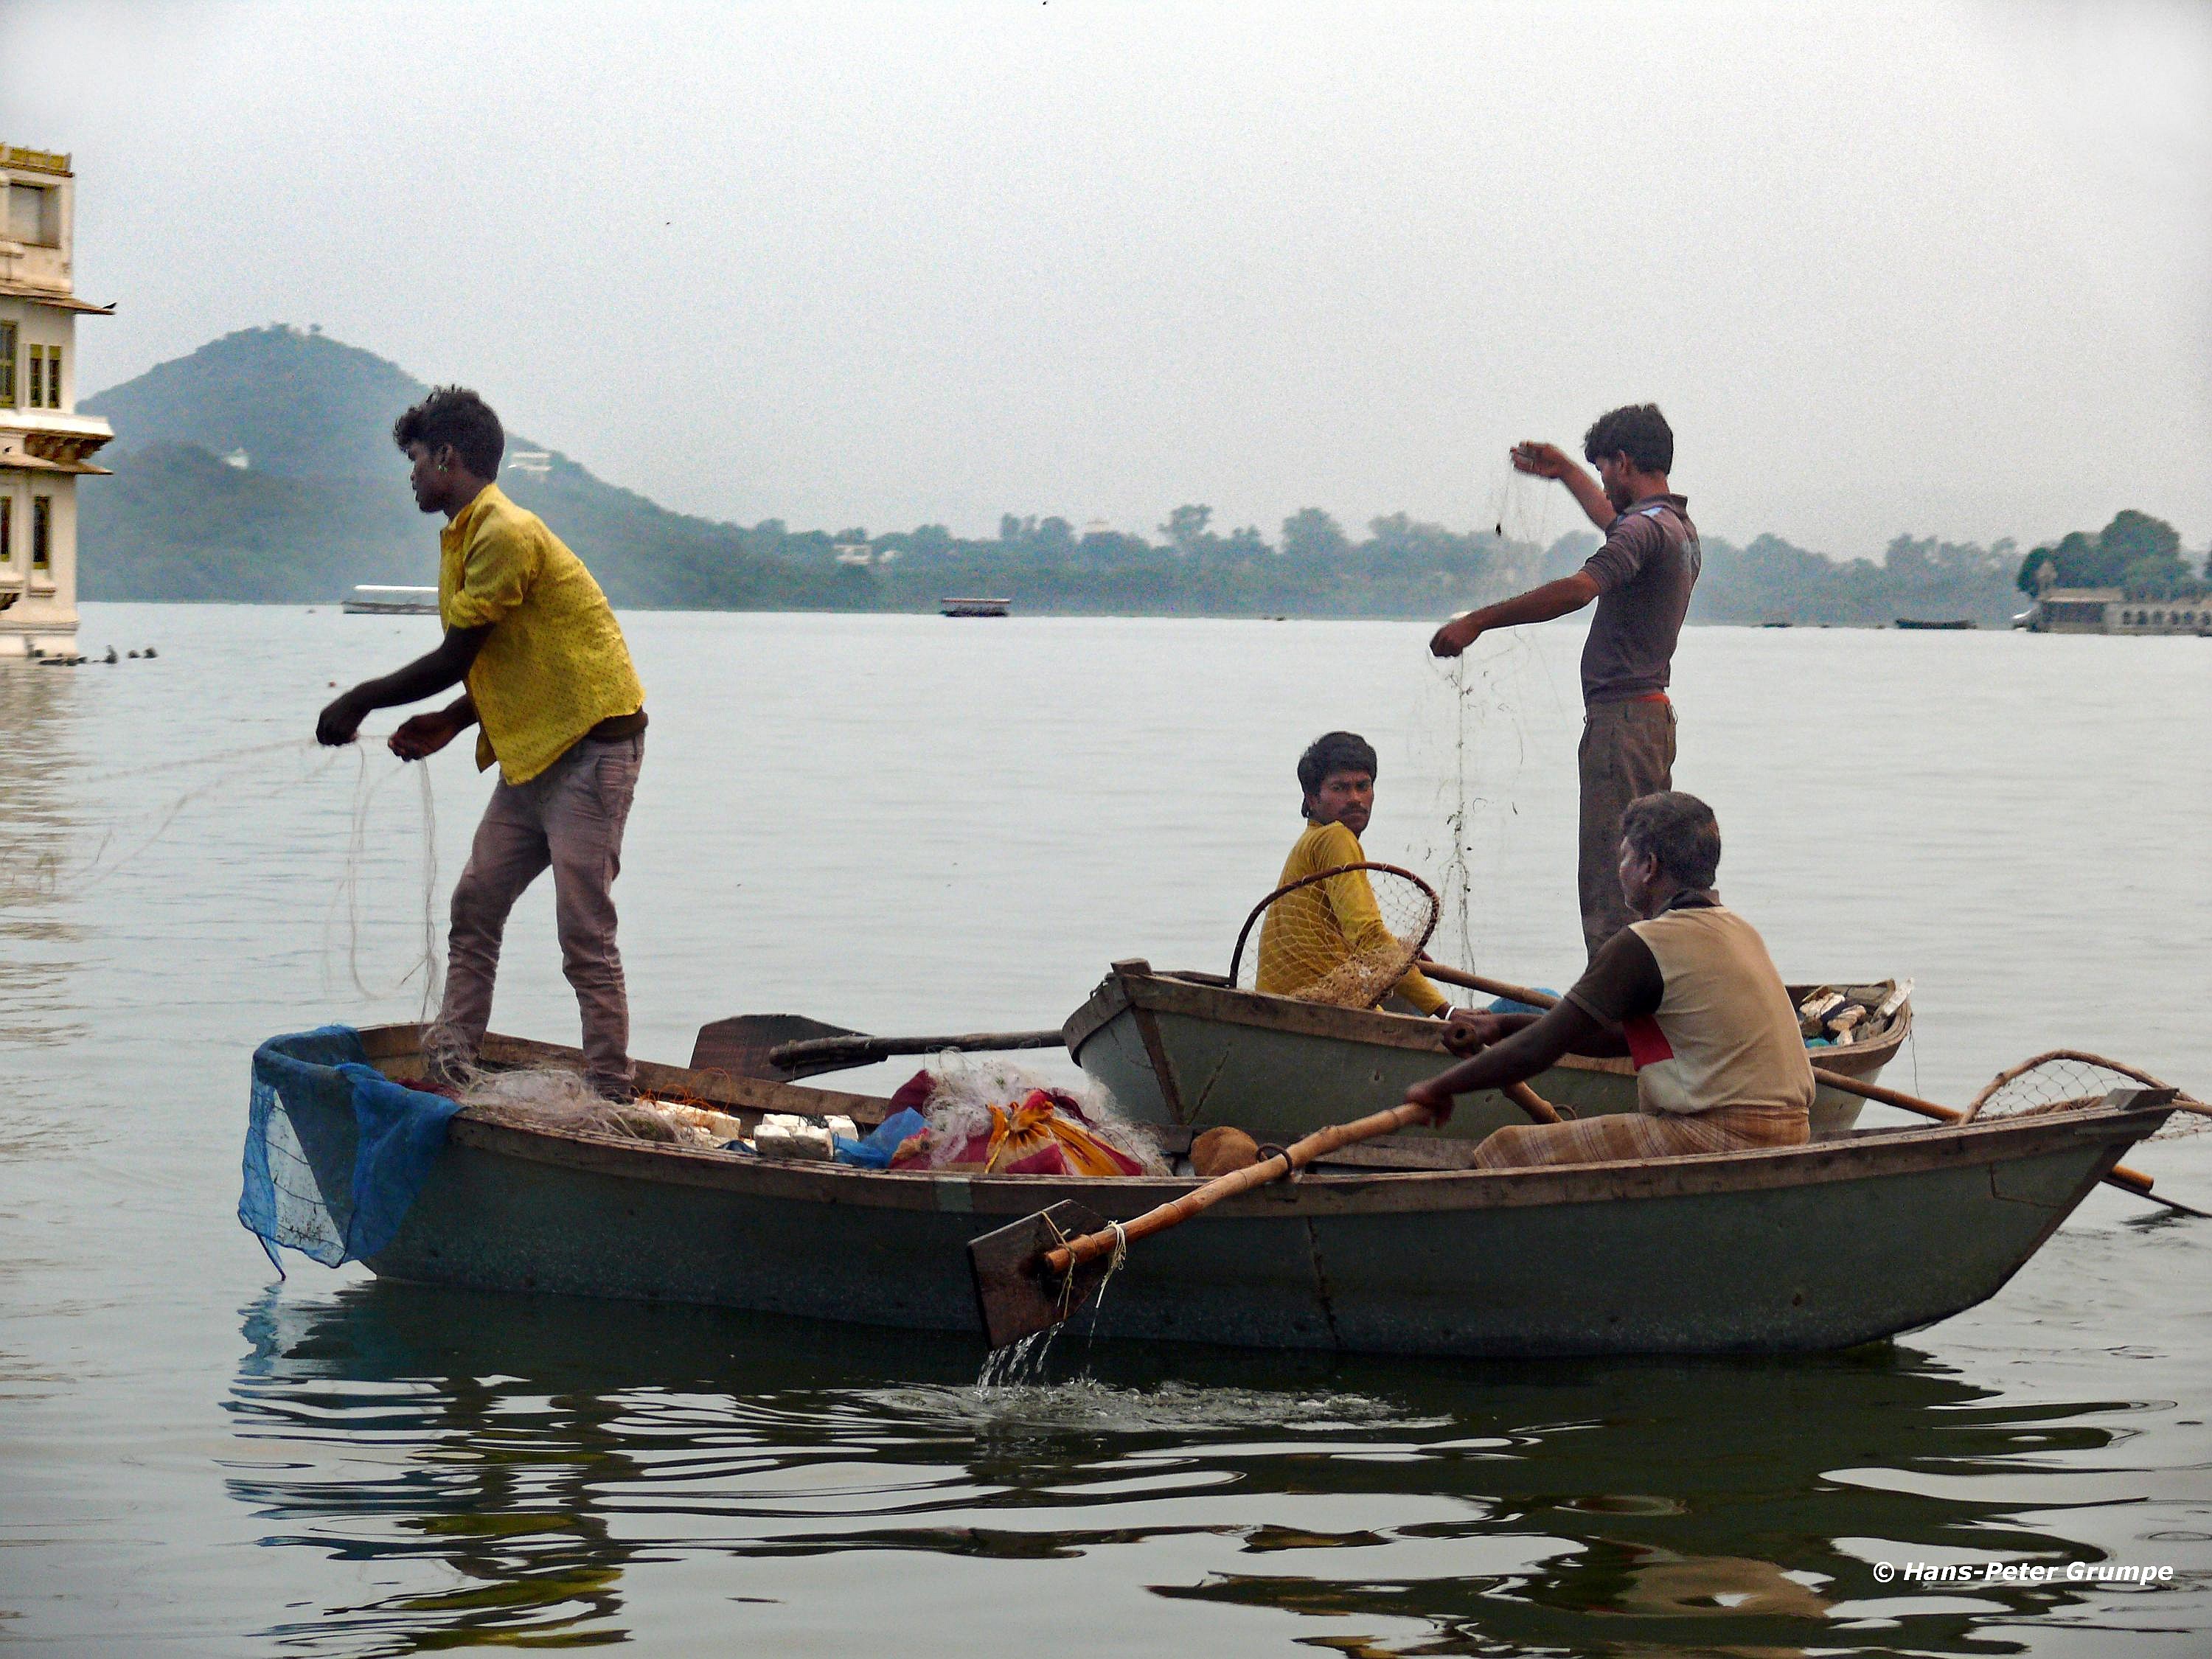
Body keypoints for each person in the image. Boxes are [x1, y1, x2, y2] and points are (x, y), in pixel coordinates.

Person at [315, 387, 648, 1099]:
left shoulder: (504, 531)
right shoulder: (464, 536)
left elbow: (454, 656)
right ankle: (452, 1069)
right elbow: (516, 658)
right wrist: (454, 720)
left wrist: (360, 697)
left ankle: (611, 1092)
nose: (411, 475)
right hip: (531, 756)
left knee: (583, 933)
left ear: (446, 457)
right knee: (474, 907)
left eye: (415, 459)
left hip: (592, 754)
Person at [1405, 791, 1812, 1167]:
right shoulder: (1741, 930)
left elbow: (1539, 1050)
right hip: (1792, 1130)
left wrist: (1437, 1088)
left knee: (1505, 1149)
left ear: (1649, 868)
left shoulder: (1646, 944)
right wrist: (1502, 1025)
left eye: (1625, 858)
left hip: (1721, 1135)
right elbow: (1615, 1038)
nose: (1620, 871)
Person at [1430, 404, 1700, 959]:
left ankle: (1612, 1003)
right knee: (1647, 871)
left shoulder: (1643, 530)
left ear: (1623, 462)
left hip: (1622, 727)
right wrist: (1568, 473)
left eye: (1603, 470)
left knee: (1614, 877)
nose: (1603, 482)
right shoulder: (1675, 528)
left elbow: (1579, 590)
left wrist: (1477, 621)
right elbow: (1615, 519)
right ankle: (1646, 989)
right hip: (1650, 721)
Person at [1256, 731, 1450, 1015]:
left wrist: (1399, 953)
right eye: (1340, 788)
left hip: (1284, 1007)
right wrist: (1446, 1010)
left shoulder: (1312, 841)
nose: (1355, 799)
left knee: (1401, 995)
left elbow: (1346, 931)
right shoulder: (1335, 838)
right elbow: (1368, 935)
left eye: (1363, 786)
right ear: (1312, 797)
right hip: (1316, 1012)